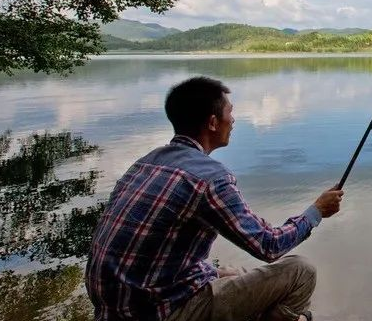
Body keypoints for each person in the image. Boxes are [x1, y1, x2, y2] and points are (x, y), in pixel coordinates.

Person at [85, 76, 343, 321]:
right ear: (212, 122)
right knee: (300, 271)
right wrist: (317, 211)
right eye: (230, 113)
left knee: (234, 272)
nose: (233, 120)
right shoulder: (209, 178)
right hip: (159, 313)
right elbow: (269, 246)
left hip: (116, 308)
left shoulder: (147, 162)